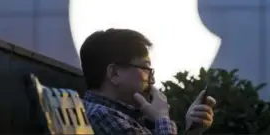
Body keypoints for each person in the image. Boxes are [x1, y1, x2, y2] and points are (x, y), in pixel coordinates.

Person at [80, 28, 216, 135]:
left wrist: (192, 130)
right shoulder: (102, 116)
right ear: (115, 73)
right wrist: (162, 117)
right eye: (145, 68)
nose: (152, 80)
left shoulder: (124, 116)